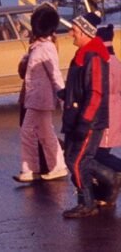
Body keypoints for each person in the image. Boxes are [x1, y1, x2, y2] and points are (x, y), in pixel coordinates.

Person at [59, 12, 111, 218]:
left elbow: (96, 92)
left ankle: (87, 203)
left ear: (84, 32)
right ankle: (111, 178)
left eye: (74, 30)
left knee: (77, 161)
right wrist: (66, 93)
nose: (70, 33)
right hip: (77, 116)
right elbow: (81, 86)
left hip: (88, 120)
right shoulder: (82, 54)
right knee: (72, 159)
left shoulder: (93, 56)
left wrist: (85, 121)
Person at [14, 4, 68, 183]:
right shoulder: (39, 46)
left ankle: (31, 168)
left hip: (40, 98)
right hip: (36, 98)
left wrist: (63, 97)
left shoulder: (46, 47)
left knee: (28, 132)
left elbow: (55, 74)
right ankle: (55, 166)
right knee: (44, 133)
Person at [91, 23, 121, 208]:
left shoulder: (106, 64)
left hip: (107, 113)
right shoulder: (115, 62)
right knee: (101, 153)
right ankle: (106, 193)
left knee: (99, 153)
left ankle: (112, 182)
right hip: (113, 111)